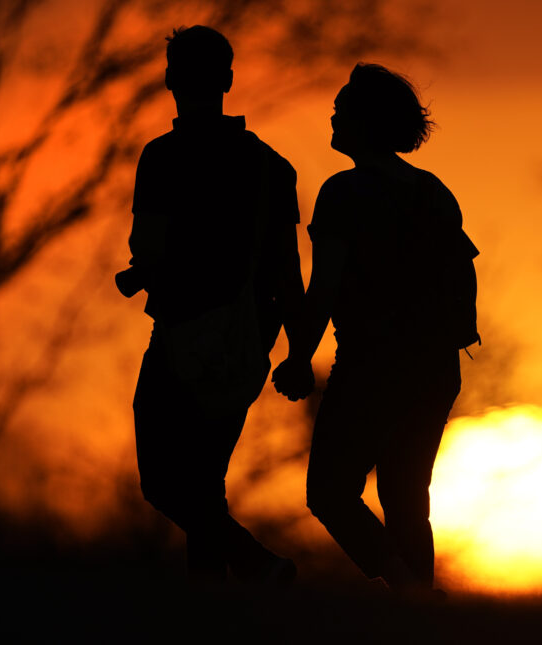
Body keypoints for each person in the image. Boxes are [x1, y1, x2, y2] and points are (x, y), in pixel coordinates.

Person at [272, 63, 479, 600]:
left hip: (371, 365)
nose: (334, 115)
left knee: (329, 492)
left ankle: (408, 590)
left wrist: (299, 357)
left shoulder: (344, 193)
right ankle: (420, 612)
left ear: (368, 122)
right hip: (435, 369)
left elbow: (326, 289)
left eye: (343, 109)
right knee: (407, 497)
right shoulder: (435, 192)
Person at [117, 25, 305, 585]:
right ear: (227, 79)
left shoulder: (162, 158)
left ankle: (254, 565)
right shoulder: (273, 166)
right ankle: (221, 607)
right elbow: (288, 270)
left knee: (164, 483)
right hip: (248, 338)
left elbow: (147, 247)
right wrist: (298, 353)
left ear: (171, 79)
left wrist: (147, 271)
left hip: (177, 333)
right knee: (204, 482)